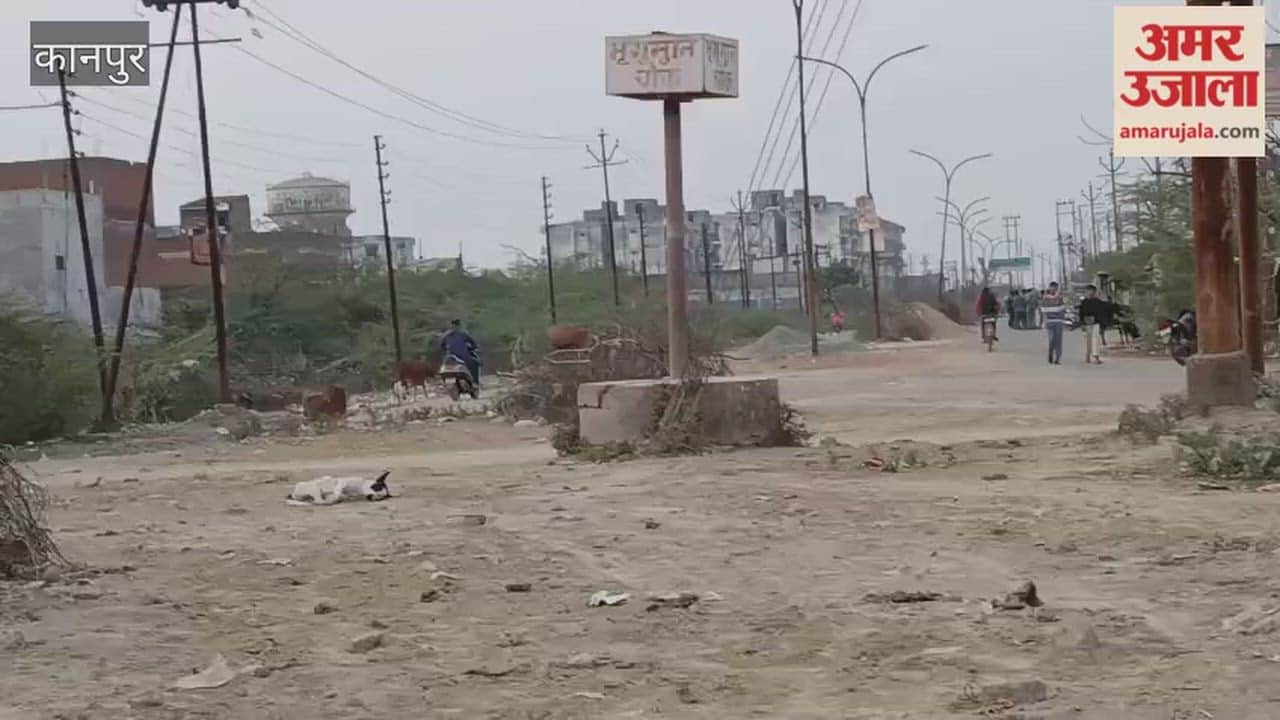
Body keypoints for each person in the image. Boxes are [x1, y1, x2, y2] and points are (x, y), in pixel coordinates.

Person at [441, 319, 481, 386]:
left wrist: (446, 350)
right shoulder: (463, 333)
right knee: (475, 364)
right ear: (459, 325)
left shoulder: (446, 335)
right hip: (463, 356)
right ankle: (475, 383)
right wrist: (474, 348)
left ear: (451, 325)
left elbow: (442, 345)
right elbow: (473, 342)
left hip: (450, 357)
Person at [1077, 285, 1109, 365]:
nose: (1089, 293)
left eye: (1091, 291)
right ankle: (1088, 355)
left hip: (1096, 323)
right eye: (1088, 291)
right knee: (1088, 340)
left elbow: (1104, 309)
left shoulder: (1097, 301)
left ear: (1094, 292)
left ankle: (1096, 357)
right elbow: (1081, 313)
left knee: (1095, 339)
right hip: (1087, 323)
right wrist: (1082, 323)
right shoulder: (1084, 302)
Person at [1041, 282, 1066, 365]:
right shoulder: (1045, 298)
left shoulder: (1060, 298)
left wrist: (1063, 320)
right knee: (1051, 339)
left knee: (1058, 341)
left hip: (1058, 321)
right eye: (1052, 287)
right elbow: (1043, 311)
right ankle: (1050, 354)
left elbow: (1063, 309)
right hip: (1050, 322)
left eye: (1055, 287)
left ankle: (1057, 359)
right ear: (1049, 288)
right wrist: (1044, 322)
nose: (1053, 289)